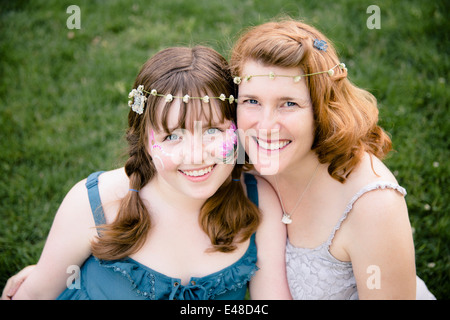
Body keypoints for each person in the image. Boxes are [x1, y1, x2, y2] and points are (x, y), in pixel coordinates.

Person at [4, 46, 291, 300]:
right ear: (145, 143)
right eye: (172, 137)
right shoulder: (95, 204)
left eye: (212, 131)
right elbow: (36, 294)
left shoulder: (258, 201)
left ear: (238, 127)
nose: (195, 155)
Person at [230, 18, 435, 299]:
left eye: (288, 104)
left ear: (322, 109)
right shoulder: (241, 158)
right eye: (251, 101)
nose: (265, 126)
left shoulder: (373, 204)